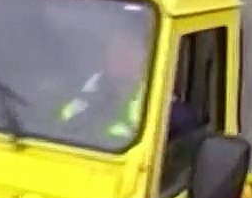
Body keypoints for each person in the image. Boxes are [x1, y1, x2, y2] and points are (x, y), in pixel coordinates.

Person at [57, 27, 199, 143]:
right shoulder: (79, 89)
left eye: (130, 48)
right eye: (115, 46)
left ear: (149, 57)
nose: (119, 54)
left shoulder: (172, 116)